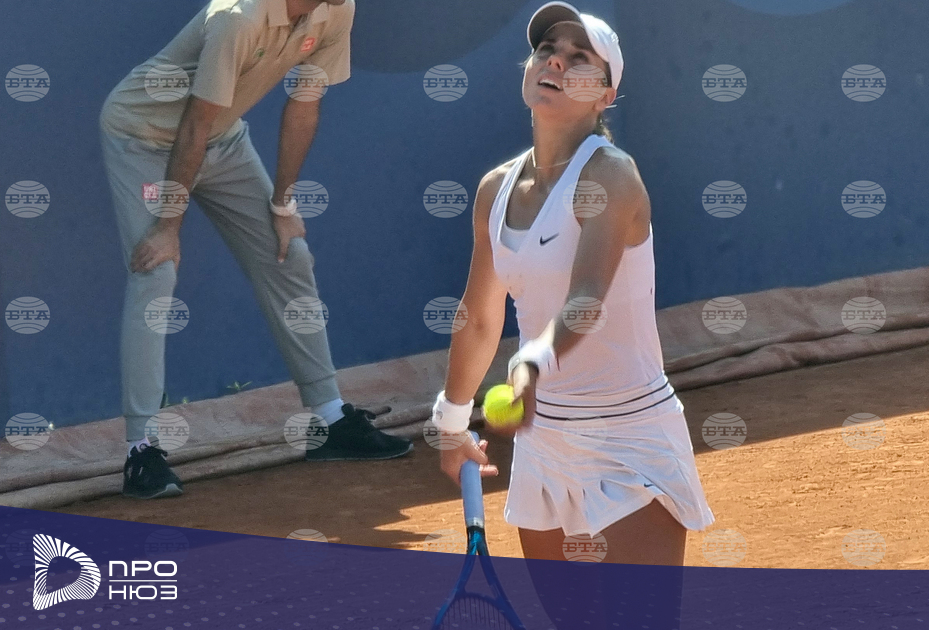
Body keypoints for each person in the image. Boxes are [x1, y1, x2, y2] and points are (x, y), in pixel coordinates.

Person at [432, 1, 714, 566]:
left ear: (605, 95)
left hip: (628, 433)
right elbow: (480, 317)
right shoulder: (495, 189)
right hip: (544, 441)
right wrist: (452, 422)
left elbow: (586, 301)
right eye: (546, 50)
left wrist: (530, 362)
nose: (555, 62)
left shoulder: (610, 174)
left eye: (579, 57)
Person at [100, 0, 412, 500]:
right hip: (144, 138)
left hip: (222, 140)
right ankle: (141, 450)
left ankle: (330, 419)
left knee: (289, 254)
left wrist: (282, 203)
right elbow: (193, 124)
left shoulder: (337, 9)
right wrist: (168, 227)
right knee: (155, 272)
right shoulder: (237, 18)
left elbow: (304, 105)